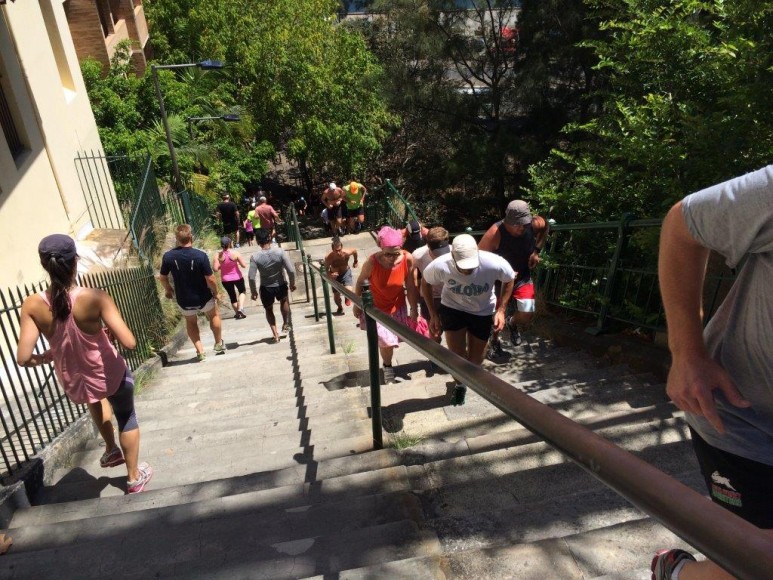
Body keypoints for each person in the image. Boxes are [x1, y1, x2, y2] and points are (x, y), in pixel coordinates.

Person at [652, 166, 773, 580]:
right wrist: (687, 353)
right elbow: (683, 223)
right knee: (758, 562)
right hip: (742, 418)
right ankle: (675, 573)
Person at [17, 234, 153, 494]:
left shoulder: (32, 304)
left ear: (44, 265)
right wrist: (105, 332)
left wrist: (45, 357)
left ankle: (111, 449)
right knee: (126, 416)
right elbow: (130, 342)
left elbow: (23, 358)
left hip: (76, 379)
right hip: (109, 372)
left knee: (94, 397)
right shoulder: (95, 297)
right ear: (75, 261)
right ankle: (134, 478)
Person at [422, 234, 515, 404]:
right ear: (452, 256)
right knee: (456, 356)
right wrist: (433, 314)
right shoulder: (440, 265)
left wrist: (501, 310)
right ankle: (460, 385)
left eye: (471, 266)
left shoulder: (493, 262)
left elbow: (509, 279)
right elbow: (425, 282)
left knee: (476, 360)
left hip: (482, 311)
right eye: (462, 267)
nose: (467, 271)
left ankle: (466, 375)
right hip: (453, 309)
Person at [478, 200, 549, 357]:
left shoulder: (533, 224)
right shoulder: (495, 233)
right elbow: (479, 259)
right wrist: (500, 271)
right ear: (507, 221)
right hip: (499, 282)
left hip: (522, 276)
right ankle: (494, 342)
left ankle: (512, 322)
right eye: (517, 225)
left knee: (527, 312)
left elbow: (546, 227)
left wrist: (536, 251)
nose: (522, 228)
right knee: (497, 316)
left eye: (524, 224)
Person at [352, 226, 418, 384]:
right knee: (386, 341)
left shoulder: (407, 258)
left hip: (397, 305)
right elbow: (361, 281)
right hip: (377, 308)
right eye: (388, 254)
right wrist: (357, 304)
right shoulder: (372, 262)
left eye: (396, 253)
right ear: (380, 247)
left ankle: (387, 364)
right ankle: (388, 367)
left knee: (393, 341)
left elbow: (410, 285)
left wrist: (414, 308)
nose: (392, 258)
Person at [159, 225, 225, 361]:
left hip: (184, 298)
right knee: (214, 315)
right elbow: (210, 278)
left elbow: (162, 277)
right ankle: (218, 344)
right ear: (191, 236)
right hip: (204, 296)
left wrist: (168, 290)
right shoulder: (200, 255)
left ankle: (200, 351)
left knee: (191, 322)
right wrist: (216, 292)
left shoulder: (168, 256)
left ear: (177, 238)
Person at [248, 228, 296, 343]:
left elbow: (251, 277)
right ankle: (285, 323)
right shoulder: (280, 252)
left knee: (268, 309)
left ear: (257, 241)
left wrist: (253, 291)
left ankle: (275, 335)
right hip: (280, 284)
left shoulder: (255, 257)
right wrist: (292, 283)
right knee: (284, 301)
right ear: (269, 238)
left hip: (266, 288)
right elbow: (291, 270)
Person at [412, 226, 452, 347]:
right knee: (435, 333)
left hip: (451, 296)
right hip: (430, 297)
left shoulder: (455, 252)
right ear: (428, 245)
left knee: (453, 332)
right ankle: (436, 354)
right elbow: (412, 277)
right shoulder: (418, 255)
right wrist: (414, 304)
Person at [214, 236, 248, 320]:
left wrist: (221, 265)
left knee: (232, 296)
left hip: (225, 279)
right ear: (229, 244)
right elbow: (244, 265)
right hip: (237, 277)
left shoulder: (217, 255)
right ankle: (240, 309)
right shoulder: (235, 253)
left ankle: (238, 313)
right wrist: (237, 262)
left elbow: (215, 269)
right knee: (242, 291)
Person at [324, 237, 359, 315]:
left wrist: (355, 261)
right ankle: (340, 307)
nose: (338, 252)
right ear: (332, 249)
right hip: (335, 276)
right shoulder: (329, 257)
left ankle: (347, 296)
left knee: (349, 290)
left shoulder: (347, 253)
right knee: (336, 297)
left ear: (342, 247)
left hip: (345, 272)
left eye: (339, 250)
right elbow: (325, 270)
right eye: (336, 251)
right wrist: (330, 274)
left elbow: (354, 251)